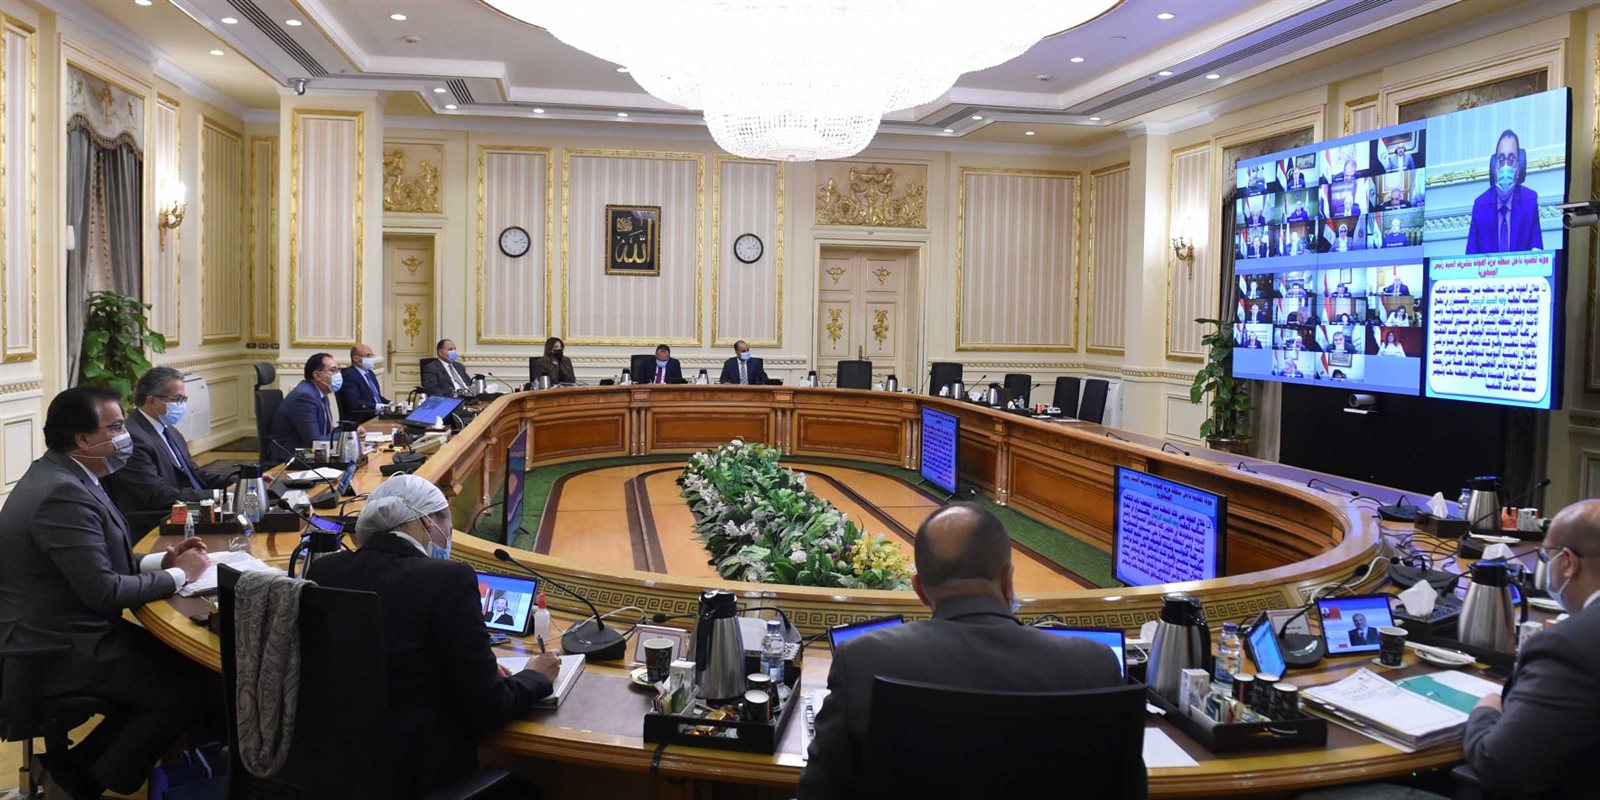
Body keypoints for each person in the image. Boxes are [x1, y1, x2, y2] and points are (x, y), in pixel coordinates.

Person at [797, 503, 1128, 798]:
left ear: (920, 590)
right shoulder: (1096, 665)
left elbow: (819, 792)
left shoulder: (864, 661)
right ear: (1008, 580)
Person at [0, 386, 212, 799]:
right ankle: (79, 782)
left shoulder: (69, 474)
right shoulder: (61, 493)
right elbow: (103, 591)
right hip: (54, 645)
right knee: (188, 686)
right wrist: (179, 576)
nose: (124, 435)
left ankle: (70, 771)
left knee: (187, 664)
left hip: (73, 626)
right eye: (115, 427)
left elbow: (98, 558)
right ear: (83, 438)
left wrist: (162, 562)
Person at [308, 474, 560, 794]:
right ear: (428, 522)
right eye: (448, 528)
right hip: (422, 776)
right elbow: (490, 707)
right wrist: (536, 675)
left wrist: (477, 670)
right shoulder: (448, 579)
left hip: (340, 775)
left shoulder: (324, 570)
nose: (448, 538)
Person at [1463, 499, 1600, 797]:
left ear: (1568, 562)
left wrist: (1486, 710)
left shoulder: (1569, 647)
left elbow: (1500, 766)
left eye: (1545, 556)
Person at [105, 367, 236, 534]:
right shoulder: (134, 438)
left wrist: (241, 480)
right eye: (178, 399)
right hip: (159, 520)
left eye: (184, 399)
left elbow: (193, 473)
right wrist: (219, 495)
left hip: (190, 509)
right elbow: (156, 494)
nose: (183, 405)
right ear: (152, 401)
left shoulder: (170, 431)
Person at [1465, 129, 1543, 255]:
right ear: (1494, 168)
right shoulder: (1480, 206)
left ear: (1518, 169)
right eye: (1501, 159)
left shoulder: (1530, 201)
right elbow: (1470, 258)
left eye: (1511, 159)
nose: (1505, 166)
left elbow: (1538, 255)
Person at [267, 353, 342, 461]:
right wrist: (345, 437)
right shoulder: (304, 396)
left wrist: (350, 431)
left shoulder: (320, 393)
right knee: (347, 459)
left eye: (338, 370)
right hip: (292, 455)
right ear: (317, 376)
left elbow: (327, 431)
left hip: (307, 451)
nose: (338, 374)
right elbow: (316, 442)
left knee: (349, 456)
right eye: (333, 370)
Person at [336, 343, 388, 424]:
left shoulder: (370, 373)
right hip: (361, 419)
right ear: (355, 358)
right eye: (368, 356)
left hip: (376, 416)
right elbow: (354, 402)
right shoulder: (349, 375)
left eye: (372, 356)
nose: (371, 359)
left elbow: (376, 397)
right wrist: (380, 407)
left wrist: (391, 404)